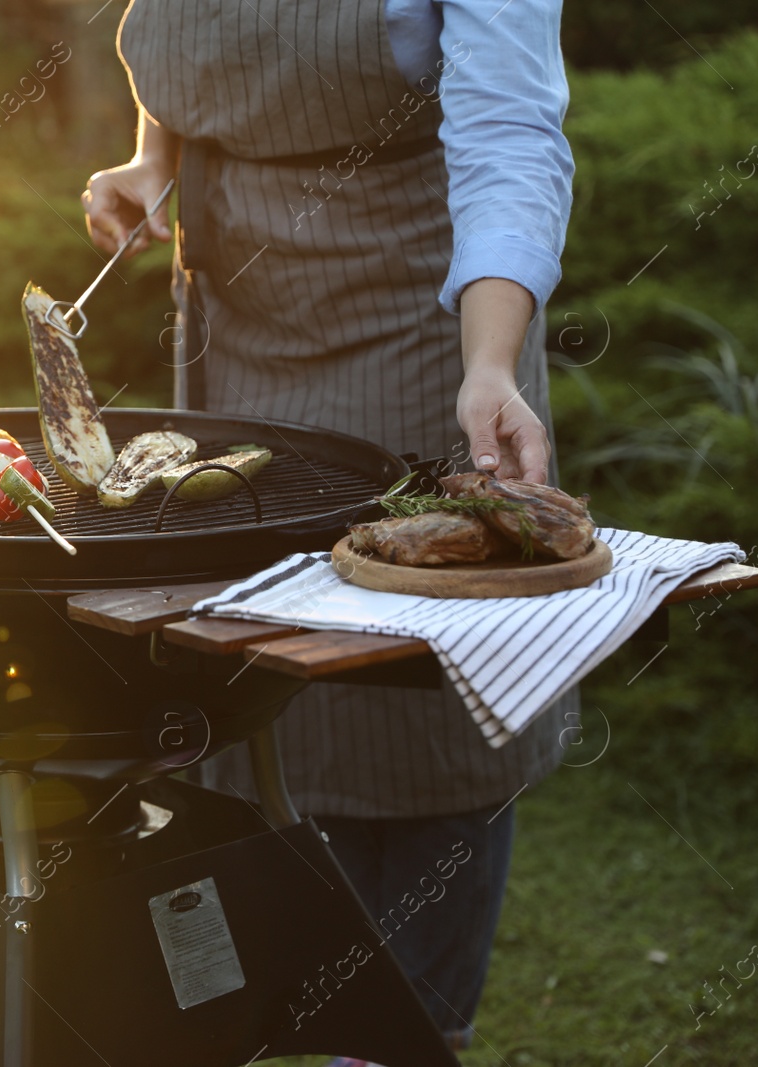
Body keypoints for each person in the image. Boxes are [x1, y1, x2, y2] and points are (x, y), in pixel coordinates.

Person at [82, 0, 575, 1056]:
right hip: (235, 332)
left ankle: (400, 1036)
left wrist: (489, 363)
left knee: (416, 705)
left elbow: (508, 134)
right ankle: (253, 1014)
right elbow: (184, 44)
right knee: (240, 683)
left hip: (422, 326)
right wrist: (148, 162)